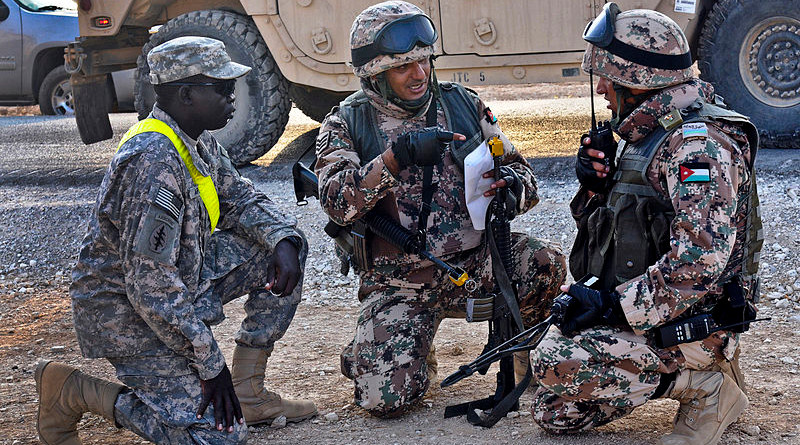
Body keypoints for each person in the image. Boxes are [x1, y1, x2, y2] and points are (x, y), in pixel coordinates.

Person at [35, 36, 316, 445]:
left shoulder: (194, 138)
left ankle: (249, 393)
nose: (232, 96)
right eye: (221, 88)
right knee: (218, 436)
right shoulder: (151, 161)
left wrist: (282, 239)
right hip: (125, 311)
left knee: (281, 247)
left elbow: (238, 197)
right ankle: (75, 392)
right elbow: (151, 289)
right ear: (186, 94)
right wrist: (210, 365)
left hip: (177, 280)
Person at [314, 0, 566, 418]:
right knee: (384, 400)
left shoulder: (463, 104)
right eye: (403, 67)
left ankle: (524, 355)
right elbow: (338, 205)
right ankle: (386, 350)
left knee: (545, 262)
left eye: (425, 61)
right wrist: (394, 160)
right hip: (401, 281)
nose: (419, 74)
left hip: (478, 264)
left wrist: (511, 190)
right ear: (374, 75)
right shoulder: (346, 123)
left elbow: (525, 176)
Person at [530, 4, 763, 445]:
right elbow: (618, 236)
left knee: (555, 361)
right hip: (654, 309)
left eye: (608, 78)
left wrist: (613, 307)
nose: (601, 88)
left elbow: (699, 263)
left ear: (637, 82)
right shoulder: (650, 136)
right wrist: (596, 188)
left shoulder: (696, 148)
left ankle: (709, 387)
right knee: (556, 410)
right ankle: (686, 374)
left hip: (696, 322)